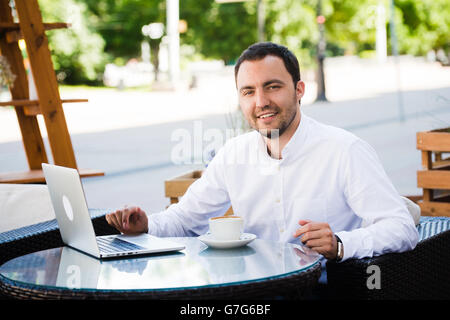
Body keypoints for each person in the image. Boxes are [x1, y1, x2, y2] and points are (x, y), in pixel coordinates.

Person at [106, 42, 418, 264]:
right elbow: (186, 219)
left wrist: (340, 243)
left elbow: (401, 227)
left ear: (299, 90)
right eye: (248, 91)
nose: (260, 102)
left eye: (272, 87)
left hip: (328, 288)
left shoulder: (344, 151)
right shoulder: (233, 155)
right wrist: (145, 226)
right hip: (252, 289)